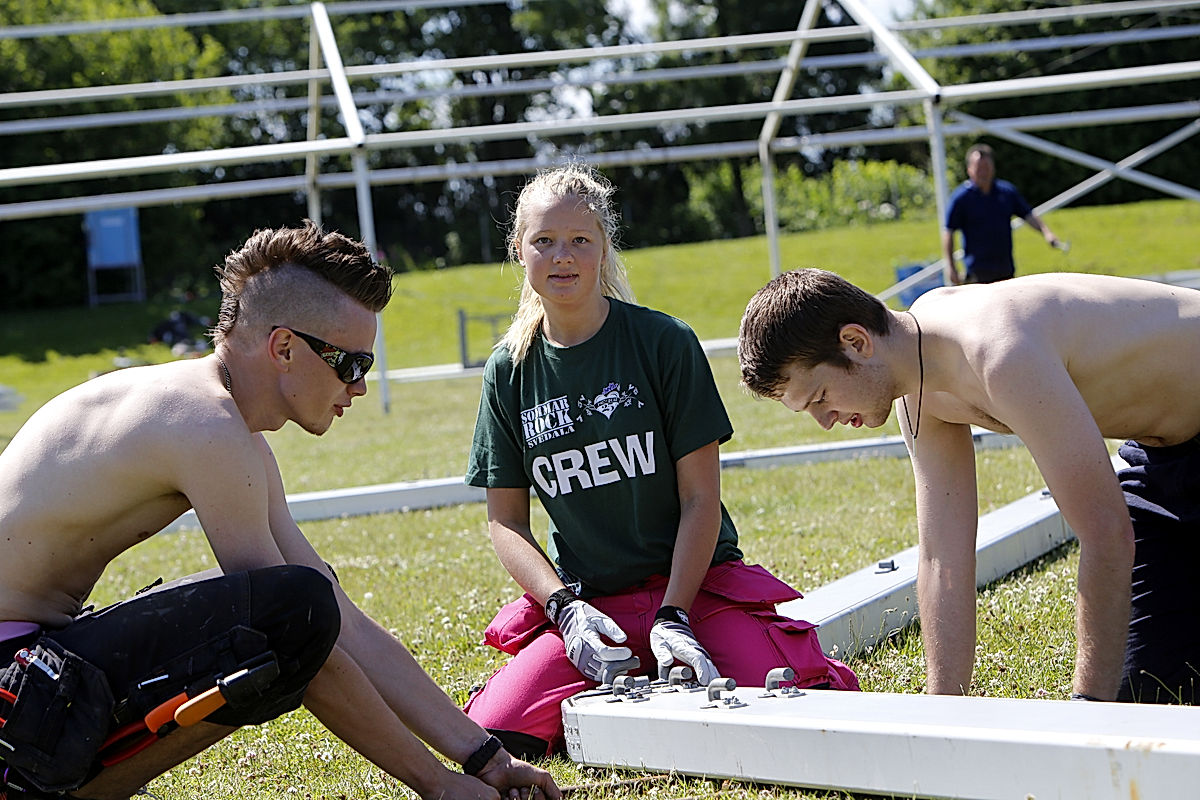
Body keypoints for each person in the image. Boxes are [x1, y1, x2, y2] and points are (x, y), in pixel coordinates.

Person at [0, 221, 560, 800]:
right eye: (351, 363)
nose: (360, 386)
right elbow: (303, 634)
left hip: (32, 666)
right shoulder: (205, 425)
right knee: (282, 618)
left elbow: (342, 619)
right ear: (285, 347)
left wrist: (486, 758)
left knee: (291, 606)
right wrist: (438, 785)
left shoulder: (217, 421)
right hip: (14, 683)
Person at [462, 165, 859, 759]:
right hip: (591, 603)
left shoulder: (664, 341)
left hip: (695, 588)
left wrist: (674, 613)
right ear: (519, 250)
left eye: (580, 240)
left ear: (604, 248)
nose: (561, 256)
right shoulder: (508, 372)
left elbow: (701, 499)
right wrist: (564, 612)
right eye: (543, 240)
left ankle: (684, 640)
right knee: (498, 731)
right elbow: (505, 523)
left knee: (798, 703)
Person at [737, 267, 1200, 705]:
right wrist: (943, 714)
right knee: (1148, 693)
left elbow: (1106, 533)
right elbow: (942, 558)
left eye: (820, 397)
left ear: (855, 342)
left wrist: (1084, 715)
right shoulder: (918, 386)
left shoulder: (997, 351)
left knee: (1113, 702)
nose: (823, 421)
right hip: (1164, 471)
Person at [942, 143, 1062, 285]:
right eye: (979, 169)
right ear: (969, 170)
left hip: (1004, 270)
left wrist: (1046, 232)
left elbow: (1028, 215)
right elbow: (948, 231)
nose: (983, 173)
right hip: (977, 272)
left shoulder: (1006, 192)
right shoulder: (961, 198)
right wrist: (951, 267)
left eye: (986, 168)